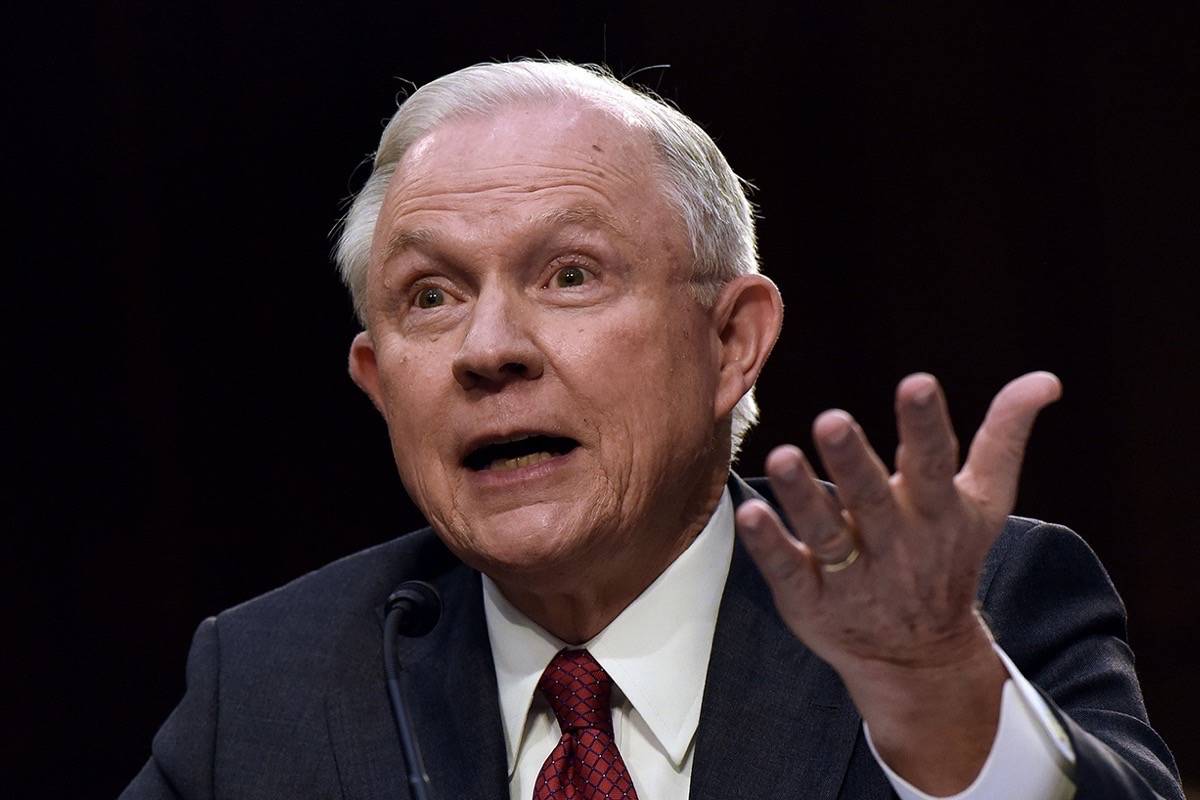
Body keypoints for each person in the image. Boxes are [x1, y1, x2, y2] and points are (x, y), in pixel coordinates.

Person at [121, 60, 1183, 800]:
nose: (490, 346)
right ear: (377, 379)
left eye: (569, 275)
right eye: (431, 296)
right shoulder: (270, 680)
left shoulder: (971, 612)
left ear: (731, 343)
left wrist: (945, 703)